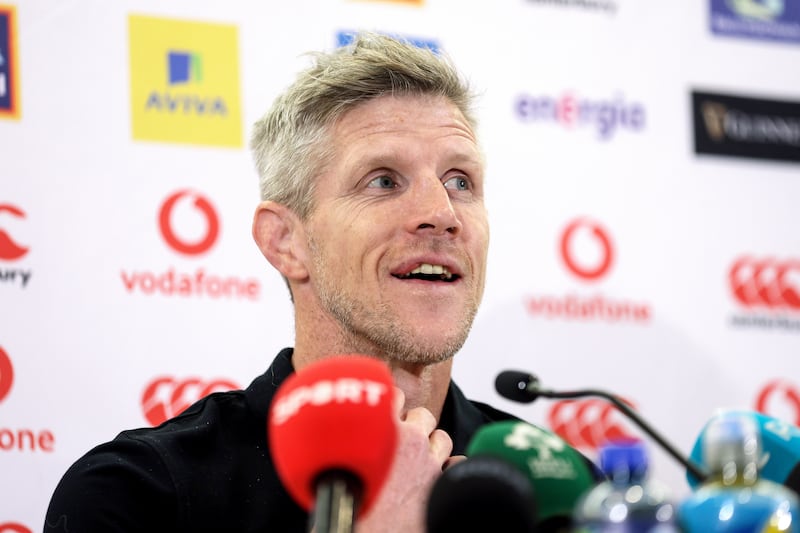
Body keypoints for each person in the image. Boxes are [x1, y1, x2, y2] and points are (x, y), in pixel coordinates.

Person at [44, 32, 524, 532]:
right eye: (383, 180)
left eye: (459, 181)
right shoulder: (138, 494)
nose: (441, 214)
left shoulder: (557, 486)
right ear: (285, 242)